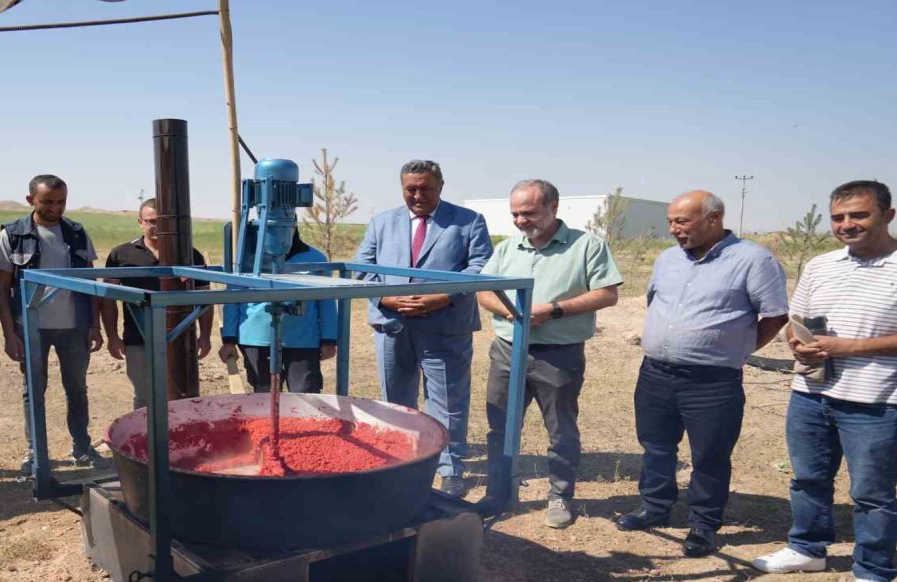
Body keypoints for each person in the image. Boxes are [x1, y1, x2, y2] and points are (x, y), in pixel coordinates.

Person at [754, 181, 897, 582]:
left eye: (859, 215)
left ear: (888, 215)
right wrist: (797, 342)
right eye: (838, 217)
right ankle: (808, 549)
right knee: (808, 478)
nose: (847, 225)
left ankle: (873, 572)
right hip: (810, 391)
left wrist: (846, 347)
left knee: (871, 492)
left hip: (877, 400)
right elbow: (796, 322)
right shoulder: (821, 265)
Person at [617, 190, 788, 557]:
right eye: (670, 222)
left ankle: (704, 523)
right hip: (656, 373)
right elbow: (655, 303)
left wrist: (738, 348)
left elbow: (774, 315)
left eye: (682, 221)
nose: (674, 230)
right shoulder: (666, 260)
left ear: (713, 219)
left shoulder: (753, 260)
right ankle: (655, 506)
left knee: (709, 454)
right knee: (656, 445)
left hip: (712, 382)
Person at [476, 180, 622, 526]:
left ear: (554, 207)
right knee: (500, 427)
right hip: (507, 352)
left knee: (560, 430)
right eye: (515, 214)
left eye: (528, 213)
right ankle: (499, 493)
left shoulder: (587, 246)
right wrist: (510, 311)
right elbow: (484, 289)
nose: (520, 221)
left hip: (558, 355)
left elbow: (606, 294)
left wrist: (554, 310)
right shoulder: (508, 248)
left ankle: (559, 497)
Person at [354, 160, 493, 497]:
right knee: (396, 401)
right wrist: (386, 299)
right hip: (392, 325)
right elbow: (361, 267)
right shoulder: (382, 222)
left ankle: (450, 469)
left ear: (440, 187)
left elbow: (483, 265)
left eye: (425, 188)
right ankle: (401, 461)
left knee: (447, 402)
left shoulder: (468, 221)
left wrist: (442, 297)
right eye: (410, 188)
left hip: (444, 326)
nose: (417, 195)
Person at [0, 175, 103, 474]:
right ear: (31, 200)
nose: (56, 208)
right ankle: (36, 452)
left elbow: (90, 282)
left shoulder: (77, 233)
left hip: (73, 326)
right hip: (31, 328)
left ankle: (82, 447)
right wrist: (10, 334)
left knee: (77, 388)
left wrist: (95, 325)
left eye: (61, 202)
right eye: (48, 202)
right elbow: (1, 289)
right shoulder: (12, 235)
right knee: (34, 389)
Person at [99, 198, 212, 409]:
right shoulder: (122, 254)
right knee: (144, 396)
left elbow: (205, 299)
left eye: (162, 222)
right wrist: (112, 336)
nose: (156, 227)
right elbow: (108, 300)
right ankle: (146, 439)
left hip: (180, 339)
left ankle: (177, 439)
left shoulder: (189, 254)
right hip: (138, 338)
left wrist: (204, 336)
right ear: (140, 222)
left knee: (182, 395)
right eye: (151, 221)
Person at [218, 229, 338, 392]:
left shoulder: (315, 259)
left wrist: (329, 339)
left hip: (302, 339)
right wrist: (229, 340)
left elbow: (327, 302)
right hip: (256, 339)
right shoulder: (246, 259)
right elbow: (232, 300)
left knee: (305, 394)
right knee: (265, 394)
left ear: (293, 226)